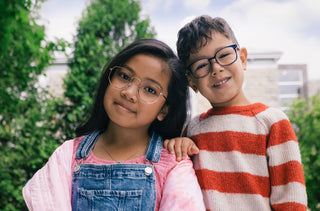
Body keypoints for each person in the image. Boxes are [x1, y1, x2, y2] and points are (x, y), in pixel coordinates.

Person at [23, 38, 205, 211]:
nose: (129, 92)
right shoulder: (68, 155)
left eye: (150, 89)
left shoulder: (173, 165)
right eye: (124, 76)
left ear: (163, 110)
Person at [164, 15, 308, 210]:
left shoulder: (272, 122)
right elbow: (182, 187)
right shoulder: (192, 130)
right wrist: (179, 146)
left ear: (242, 58)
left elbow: (291, 199)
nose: (216, 68)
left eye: (223, 55)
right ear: (191, 82)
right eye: (201, 65)